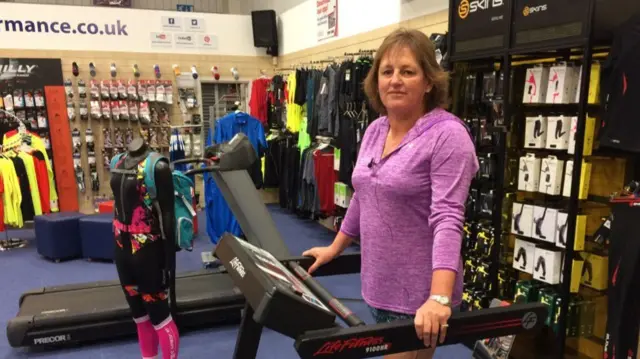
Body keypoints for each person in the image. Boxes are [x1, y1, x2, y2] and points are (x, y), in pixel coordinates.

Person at [303, 28, 478, 359]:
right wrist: (335, 247)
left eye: (408, 71)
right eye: (387, 71)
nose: (395, 80)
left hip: (418, 293)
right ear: (376, 80)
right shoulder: (375, 129)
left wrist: (439, 298)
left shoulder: (448, 136)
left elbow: (448, 217)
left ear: (428, 81)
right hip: (378, 283)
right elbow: (364, 193)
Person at [110, 139, 180, 359]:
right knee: (139, 314)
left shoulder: (157, 166)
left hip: (148, 249)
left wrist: (169, 259)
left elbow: (168, 214)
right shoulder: (117, 161)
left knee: (159, 314)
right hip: (122, 247)